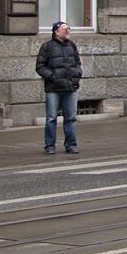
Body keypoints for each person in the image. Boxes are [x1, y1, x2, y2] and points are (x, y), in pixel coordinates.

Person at [36, 21, 82, 154]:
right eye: (65, 29)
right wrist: (53, 77)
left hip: (70, 87)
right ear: (56, 32)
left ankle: (71, 145)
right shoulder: (47, 47)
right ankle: (50, 146)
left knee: (71, 118)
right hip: (53, 88)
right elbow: (40, 67)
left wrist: (77, 74)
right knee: (51, 118)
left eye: (68, 28)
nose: (68, 31)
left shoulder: (72, 46)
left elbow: (78, 63)